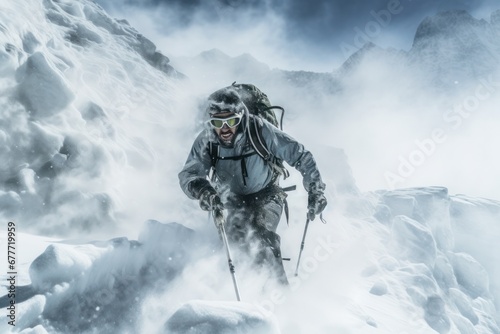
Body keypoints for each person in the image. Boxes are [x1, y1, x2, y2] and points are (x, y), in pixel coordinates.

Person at [178, 86, 327, 285]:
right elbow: (190, 172)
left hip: (267, 194)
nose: (224, 129)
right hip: (229, 198)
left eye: (230, 121)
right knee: (234, 241)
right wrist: (203, 190)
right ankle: (236, 297)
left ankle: (278, 295)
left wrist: (315, 189)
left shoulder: (260, 130)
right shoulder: (207, 139)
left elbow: (300, 155)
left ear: (240, 118)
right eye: (217, 122)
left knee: (261, 237)